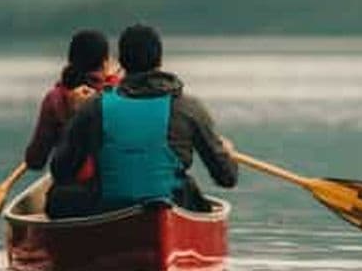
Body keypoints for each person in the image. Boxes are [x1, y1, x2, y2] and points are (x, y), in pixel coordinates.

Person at [51, 23, 237, 214]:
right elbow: (227, 178)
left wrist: (74, 117)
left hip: (107, 204)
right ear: (160, 61)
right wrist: (227, 154)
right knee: (191, 191)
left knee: (56, 197)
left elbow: (61, 171)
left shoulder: (93, 107)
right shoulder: (190, 108)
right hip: (173, 202)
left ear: (121, 63)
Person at [25, 29, 119, 216]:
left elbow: (35, 161)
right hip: (116, 194)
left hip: (71, 198)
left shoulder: (54, 98)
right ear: (105, 62)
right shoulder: (120, 93)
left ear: (70, 61)